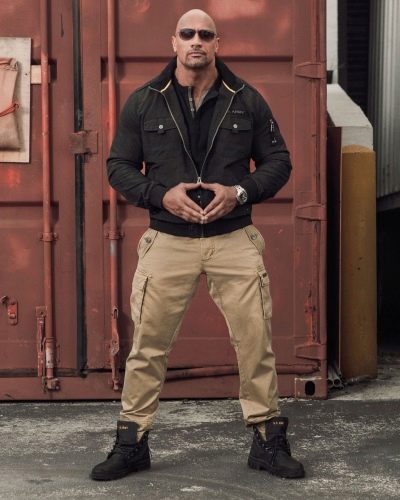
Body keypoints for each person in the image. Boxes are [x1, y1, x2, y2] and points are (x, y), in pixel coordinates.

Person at [90, 9, 305, 481]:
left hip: (234, 238)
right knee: (147, 346)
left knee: (255, 342)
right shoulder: (144, 101)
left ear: (217, 43)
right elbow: (118, 166)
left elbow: (279, 162)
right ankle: (131, 444)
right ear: (174, 42)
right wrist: (159, 195)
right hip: (168, 239)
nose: (196, 41)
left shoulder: (246, 99)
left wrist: (240, 192)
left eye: (205, 35)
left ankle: (267, 442)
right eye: (187, 33)